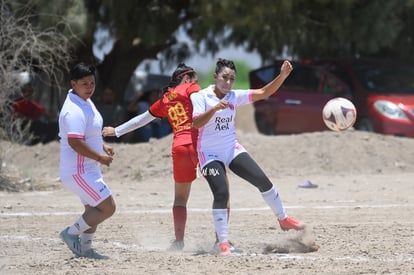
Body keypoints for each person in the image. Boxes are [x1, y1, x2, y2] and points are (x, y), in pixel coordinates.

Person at [102, 63, 232, 251]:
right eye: (193, 78)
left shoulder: (164, 100)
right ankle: (221, 240)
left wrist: (117, 131)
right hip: (202, 147)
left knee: (180, 198)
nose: (196, 82)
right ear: (186, 79)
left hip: (180, 148)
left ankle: (179, 241)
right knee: (222, 193)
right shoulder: (191, 88)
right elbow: (203, 103)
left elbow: (142, 119)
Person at [190, 58, 305, 256]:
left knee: (263, 181)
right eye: (224, 77)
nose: (228, 82)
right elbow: (196, 123)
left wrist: (282, 76)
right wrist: (214, 109)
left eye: (232, 79)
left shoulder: (234, 96)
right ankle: (223, 243)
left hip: (231, 149)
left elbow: (264, 92)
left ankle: (283, 219)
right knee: (221, 193)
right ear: (215, 76)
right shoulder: (201, 97)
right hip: (208, 154)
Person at [58, 62, 116, 259]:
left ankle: (85, 249)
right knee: (107, 207)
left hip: (87, 169)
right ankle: (71, 232)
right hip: (78, 171)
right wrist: (100, 156)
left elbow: (90, 131)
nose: (90, 87)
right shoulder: (72, 110)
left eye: (92, 83)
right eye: (85, 84)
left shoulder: (84, 100)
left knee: (93, 208)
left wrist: (102, 145)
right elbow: (75, 142)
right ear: (73, 83)